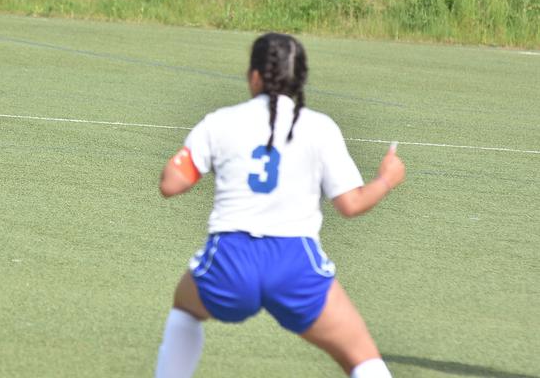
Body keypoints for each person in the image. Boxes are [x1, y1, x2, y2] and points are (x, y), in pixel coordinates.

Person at [154, 32, 406, 377]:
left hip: (231, 257)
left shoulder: (220, 122)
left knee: (185, 308)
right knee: (361, 357)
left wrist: (186, 158)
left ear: (254, 76)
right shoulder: (320, 128)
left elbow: (171, 184)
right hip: (295, 263)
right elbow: (351, 204)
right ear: (299, 78)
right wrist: (387, 178)